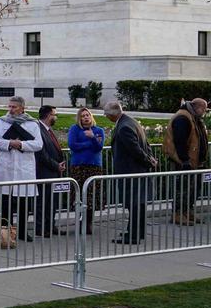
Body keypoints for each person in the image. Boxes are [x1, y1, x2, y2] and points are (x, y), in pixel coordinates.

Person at [105, 100, 157, 244]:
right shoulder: (131, 122)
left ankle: (133, 235)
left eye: (106, 114)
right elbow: (146, 145)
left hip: (131, 171)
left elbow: (135, 150)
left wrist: (148, 161)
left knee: (134, 203)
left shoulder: (124, 127)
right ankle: (136, 232)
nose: (105, 116)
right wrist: (151, 159)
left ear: (111, 115)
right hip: (136, 170)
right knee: (138, 204)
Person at [0, 97, 42, 242]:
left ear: (22, 108)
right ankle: (7, 233)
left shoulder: (32, 124)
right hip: (6, 167)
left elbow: (38, 144)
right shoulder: (1, 122)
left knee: (24, 203)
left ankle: (22, 231)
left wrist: (21, 145)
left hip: (24, 168)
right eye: (10, 106)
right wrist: (9, 143)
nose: (11, 109)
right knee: (6, 203)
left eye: (14, 107)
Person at [162, 97, 208, 225]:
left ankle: (187, 211)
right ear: (197, 107)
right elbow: (180, 141)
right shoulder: (183, 118)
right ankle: (177, 214)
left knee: (193, 189)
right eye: (204, 109)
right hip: (182, 162)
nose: (205, 112)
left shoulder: (192, 117)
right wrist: (185, 160)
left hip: (193, 162)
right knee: (181, 189)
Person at [66, 107, 105, 235]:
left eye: (87, 115)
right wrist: (89, 144)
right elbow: (73, 145)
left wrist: (93, 137)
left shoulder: (98, 130)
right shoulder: (74, 129)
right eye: (82, 116)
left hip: (94, 166)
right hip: (78, 166)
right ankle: (78, 221)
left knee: (91, 196)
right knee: (78, 195)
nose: (85, 117)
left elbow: (99, 147)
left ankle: (88, 223)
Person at [33, 105, 65, 238]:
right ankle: (41, 228)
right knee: (43, 202)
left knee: (52, 201)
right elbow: (42, 154)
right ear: (48, 116)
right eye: (54, 115)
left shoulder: (48, 130)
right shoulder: (39, 130)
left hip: (53, 171)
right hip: (45, 171)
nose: (56, 117)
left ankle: (51, 225)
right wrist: (56, 165)